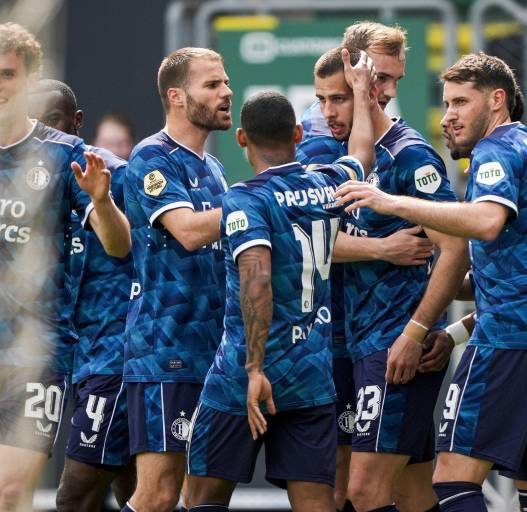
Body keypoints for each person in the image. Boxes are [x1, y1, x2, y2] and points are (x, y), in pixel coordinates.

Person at [336, 52, 527, 512]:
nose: (449, 117)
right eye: (446, 104)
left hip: (508, 339)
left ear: (497, 101)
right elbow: (515, 270)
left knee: (451, 482)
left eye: (461, 103)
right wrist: (453, 332)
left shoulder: (498, 148)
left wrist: (392, 202)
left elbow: (486, 222)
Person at [0, 21, 130, 512]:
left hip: (37, 352)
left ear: (31, 78)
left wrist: (102, 204)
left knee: (14, 495)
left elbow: (118, 247)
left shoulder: (67, 155)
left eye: (7, 75)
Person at [185, 49, 374, 512]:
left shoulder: (244, 200)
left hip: (243, 376)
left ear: (243, 138)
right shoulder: (331, 183)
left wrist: (253, 369)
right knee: (315, 502)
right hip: (311, 374)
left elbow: (257, 279)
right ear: (296, 134)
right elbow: (362, 154)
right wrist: (364, 94)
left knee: (203, 498)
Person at [300, 46, 468, 512]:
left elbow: (455, 249)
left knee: (363, 491)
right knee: (411, 493)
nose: (327, 112)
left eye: (338, 99)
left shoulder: (412, 156)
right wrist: (380, 248)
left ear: (367, 91)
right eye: (321, 100)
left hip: (393, 346)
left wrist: (419, 332)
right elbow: (302, 243)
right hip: (354, 344)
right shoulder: (328, 151)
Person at [121, 47, 231, 512]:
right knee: (157, 493)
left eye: (225, 82)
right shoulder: (152, 156)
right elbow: (187, 230)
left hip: (212, 352)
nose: (227, 92)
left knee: (198, 494)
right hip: (167, 351)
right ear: (177, 96)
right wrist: (264, 205)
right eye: (212, 85)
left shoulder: (215, 168)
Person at [28, 79, 136, 511]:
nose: (43, 134)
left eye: (52, 122)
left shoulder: (117, 179)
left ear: (77, 123)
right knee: (136, 490)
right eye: (33, 122)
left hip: (116, 357)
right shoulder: (33, 187)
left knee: (75, 496)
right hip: (78, 357)